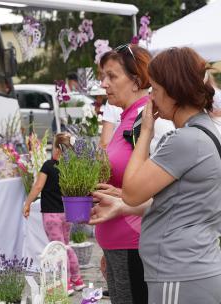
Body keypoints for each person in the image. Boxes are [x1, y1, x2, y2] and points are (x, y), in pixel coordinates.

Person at [91, 47, 221, 304]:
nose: (153, 97)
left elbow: (131, 191)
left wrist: (147, 130)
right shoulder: (205, 131)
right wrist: (123, 207)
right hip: (187, 268)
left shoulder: (185, 139)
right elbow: (178, 201)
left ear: (173, 91)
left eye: (157, 89)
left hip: (178, 271)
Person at [94, 44, 152, 304]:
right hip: (116, 243)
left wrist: (124, 195)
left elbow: (161, 185)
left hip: (133, 242)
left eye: (112, 76)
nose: (104, 84)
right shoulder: (126, 119)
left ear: (136, 80)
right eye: (103, 76)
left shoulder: (145, 119)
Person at [23, 133, 85, 295]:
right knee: (66, 245)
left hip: (51, 216)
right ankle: (77, 279)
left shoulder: (48, 166)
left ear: (57, 149)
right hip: (67, 214)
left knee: (58, 249)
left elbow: (38, 187)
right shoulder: (71, 168)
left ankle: (66, 283)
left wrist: (27, 203)